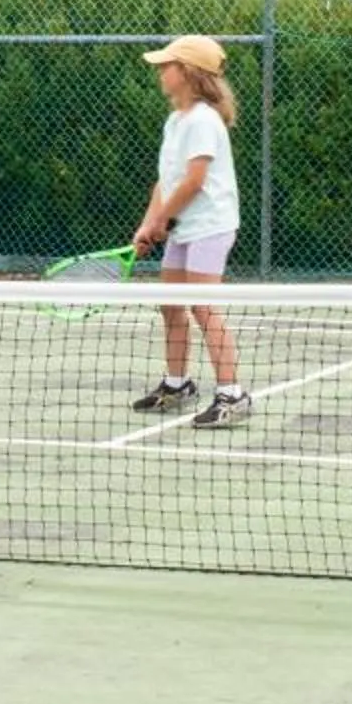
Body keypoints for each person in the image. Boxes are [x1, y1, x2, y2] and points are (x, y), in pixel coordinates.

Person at [128, 34, 251, 427]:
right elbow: (166, 180)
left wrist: (163, 219)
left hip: (211, 226)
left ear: (189, 73)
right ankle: (177, 385)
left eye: (167, 65)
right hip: (185, 228)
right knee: (171, 305)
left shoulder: (202, 119)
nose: (161, 72)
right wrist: (150, 222)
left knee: (202, 306)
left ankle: (232, 395)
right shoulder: (175, 120)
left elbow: (195, 181)